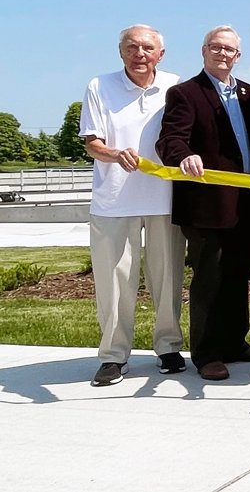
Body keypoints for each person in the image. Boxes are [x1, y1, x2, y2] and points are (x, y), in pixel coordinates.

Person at [156, 25, 250, 381]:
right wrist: (184, 156)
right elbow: (169, 140)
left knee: (239, 274)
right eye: (215, 47)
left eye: (229, 49)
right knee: (210, 278)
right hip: (207, 204)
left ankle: (235, 342)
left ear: (238, 56)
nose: (222, 54)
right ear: (203, 51)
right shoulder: (185, 93)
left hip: (248, 201)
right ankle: (206, 353)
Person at [81, 24, 186, 386]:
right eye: (131, 47)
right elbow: (91, 142)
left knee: (168, 279)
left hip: (164, 199)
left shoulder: (176, 86)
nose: (139, 54)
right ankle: (113, 356)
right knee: (113, 285)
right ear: (120, 51)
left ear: (161, 53)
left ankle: (169, 346)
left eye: (147, 48)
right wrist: (113, 153)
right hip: (113, 201)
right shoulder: (99, 86)